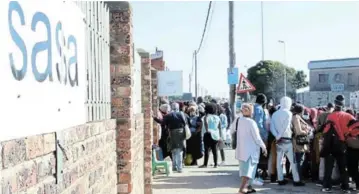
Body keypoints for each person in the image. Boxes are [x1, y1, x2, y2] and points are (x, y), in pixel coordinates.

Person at [321, 95, 354, 193]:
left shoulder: (330, 116)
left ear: (335, 104)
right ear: (343, 105)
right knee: (343, 167)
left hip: (330, 145)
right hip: (342, 144)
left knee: (328, 167)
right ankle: (345, 187)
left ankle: (326, 187)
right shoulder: (348, 116)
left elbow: (325, 131)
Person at [232, 103, 267, 194]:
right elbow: (257, 138)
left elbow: (231, 130)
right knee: (248, 171)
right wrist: (264, 147)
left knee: (246, 170)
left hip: (241, 150)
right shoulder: (252, 122)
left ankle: (249, 187)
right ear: (252, 112)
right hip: (251, 151)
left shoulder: (238, 120)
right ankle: (243, 189)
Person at [270, 97, 304, 186]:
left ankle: (280, 179)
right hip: (287, 140)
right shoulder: (289, 113)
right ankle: (296, 180)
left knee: (279, 161)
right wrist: (279, 135)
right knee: (293, 161)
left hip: (278, 141)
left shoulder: (274, 114)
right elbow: (285, 126)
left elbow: (271, 127)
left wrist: (277, 136)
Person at [162, 103, 187, 173]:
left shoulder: (168, 115)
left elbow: (163, 123)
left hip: (172, 133)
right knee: (179, 151)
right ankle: (179, 168)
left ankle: (174, 166)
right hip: (180, 133)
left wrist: (155, 118)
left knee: (173, 150)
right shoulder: (181, 114)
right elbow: (185, 123)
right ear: (178, 107)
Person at [200, 103, 223, 168]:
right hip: (215, 135)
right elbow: (219, 127)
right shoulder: (217, 117)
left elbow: (205, 123)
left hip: (208, 134)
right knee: (215, 150)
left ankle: (205, 164)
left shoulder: (206, 117)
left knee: (206, 149)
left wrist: (207, 130)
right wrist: (220, 136)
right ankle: (215, 164)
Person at [292, 104, 310, 185]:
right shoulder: (296, 117)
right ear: (301, 111)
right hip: (298, 142)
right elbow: (298, 131)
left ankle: (298, 178)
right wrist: (306, 131)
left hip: (299, 142)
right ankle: (298, 179)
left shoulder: (297, 117)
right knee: (299, 161)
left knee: (300, 160)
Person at [253, 93, 268, 181]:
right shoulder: (259, 109)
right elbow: (258, 124)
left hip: (251, 135)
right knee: (258, 156)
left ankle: (254, 173)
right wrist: (264, 135)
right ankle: (255, 175)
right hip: (258, 135)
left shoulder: (252, 107)